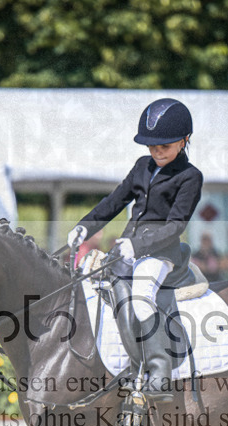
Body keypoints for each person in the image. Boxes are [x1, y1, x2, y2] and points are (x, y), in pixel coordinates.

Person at [67, 98, 203, 402]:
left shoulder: (190, 177)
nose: (156, 151)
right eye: (152, 146)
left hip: (161, 253)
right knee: (97, 293)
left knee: (141, 302)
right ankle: (123, 364)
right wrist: (85, 227)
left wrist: (139, 245)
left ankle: (158, 372)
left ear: (184, 141)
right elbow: (115, 201)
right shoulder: (143, 166)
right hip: (127, 248)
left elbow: (175, 226)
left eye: (164, 146)